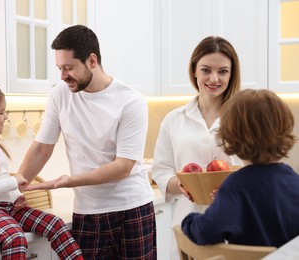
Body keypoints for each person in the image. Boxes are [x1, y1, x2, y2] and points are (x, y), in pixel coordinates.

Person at [18, 25, 156, 259]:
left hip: (132, 209)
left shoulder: (131, 102)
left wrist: (68, 181)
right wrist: (15, 190)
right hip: (88, 213)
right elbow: (42, 148)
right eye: (59, 68)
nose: (62, 76)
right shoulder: (60, 95)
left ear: (92, 61)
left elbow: (123, 167)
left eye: (69, 68)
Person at [0, 82, 83, 260]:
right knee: (15, 238)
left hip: (2, 207)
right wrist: (13, 181)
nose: (6, 117)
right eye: (1, 112)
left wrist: (14, 195)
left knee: (56, 224)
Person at [151, 36, 244, 259]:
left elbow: (257, 169)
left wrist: (235, 187)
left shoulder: (243, 118)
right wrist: (182, 185)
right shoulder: (174, 119)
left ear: (231, 75)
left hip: (235, 220)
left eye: (223, 71)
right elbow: (161, 170)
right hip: (187, 222)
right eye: (206, 70)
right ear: (194, 71)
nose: (214, 78)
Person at [182, 89, 299, 247]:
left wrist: (188, 221)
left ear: (231, 137)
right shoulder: (294, 181)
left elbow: (206, 231)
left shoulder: (235, 185)